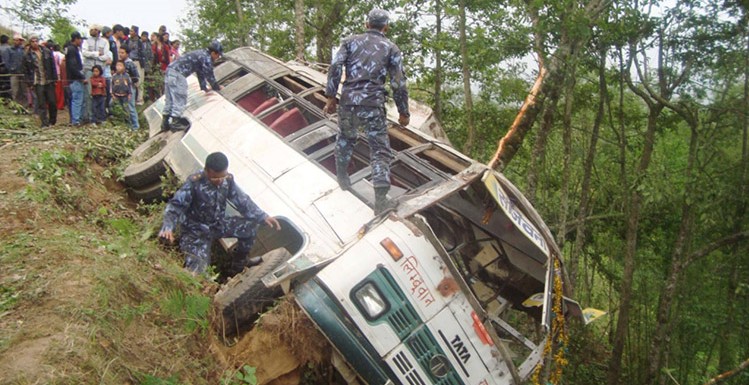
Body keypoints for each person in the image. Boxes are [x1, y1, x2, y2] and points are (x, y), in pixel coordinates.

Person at [323, 9, 410, 214]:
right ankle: (380, 202)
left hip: (348, 102)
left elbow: (335, 66)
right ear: (385, 28)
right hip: (373, 104)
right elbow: (398, 83)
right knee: (379, 150)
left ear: (366, 24)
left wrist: (330, 97)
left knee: (345, 139)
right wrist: (403, 112)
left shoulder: (349, 41)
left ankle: (343, 179)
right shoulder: (391, 48)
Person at [159, 152, 282, 275]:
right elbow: (175, 206)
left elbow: (242, 200)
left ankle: (239, 265)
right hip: (195, 232)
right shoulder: (194, 183)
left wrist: (263, 216)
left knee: (250, 226)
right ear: (207, 170)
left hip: (217, 224)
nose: (219, 181)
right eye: (215, 178)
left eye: (222, 177)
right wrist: (168, 227)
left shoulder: (227, 180)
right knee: (198, 273)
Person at [161, 40, 223, 132]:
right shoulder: (206, 57)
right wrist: (217, 87)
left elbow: (200, 72)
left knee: (170, 98)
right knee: (180, 97)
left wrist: (204, 88)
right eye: (218, 55)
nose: (218, 58)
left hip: (170, 71)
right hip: (178, 73)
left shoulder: (200, 53)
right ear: (213, 52)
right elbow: (209, 74)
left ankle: (165, 123)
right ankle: (175, 123)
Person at [23, 34, 57, 127]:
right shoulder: (27, 55)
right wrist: (29, 83)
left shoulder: (46, 51)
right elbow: (25, 70)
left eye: (36, 41)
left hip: (48, 79)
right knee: (41, 103)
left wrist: (54, 78)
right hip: (37, 81)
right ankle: (44, 122)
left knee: (52, 101)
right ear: (30, 43)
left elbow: (52, 65)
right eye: (32, 41)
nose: (35, 43)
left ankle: (52, 121)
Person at [82, 24, 109, 123]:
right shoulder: (86, 41)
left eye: (93, 29)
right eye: (91, 29)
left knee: (101, 93)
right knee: (89, 93)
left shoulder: (104, 42)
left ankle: (100, 117)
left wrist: (94, 56)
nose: (91, 31)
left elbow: (106, 56)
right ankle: (89, 117)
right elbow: (84, 53)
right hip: (89, 70)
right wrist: (97, 54)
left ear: (98, 31)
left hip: (101, 70)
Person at [65, 31, 86, 126]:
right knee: (77, 100)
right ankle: (76, 120)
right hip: (75, 79)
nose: (81, 41)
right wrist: (81, 77)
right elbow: (73, 67)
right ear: (76, 39)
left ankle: (75, 119)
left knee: (75, 100)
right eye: (80, 39)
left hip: (72, 78)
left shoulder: (70, 49)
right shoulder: (72, 50)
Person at [111, 61, 138, 130]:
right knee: (115, 108)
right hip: (117, 95)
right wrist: (112, 94)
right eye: (117, 65)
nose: (118, 67)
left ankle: (131, 125)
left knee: (126, 110)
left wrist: (129, 94)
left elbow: (129, 85)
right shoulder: (114, 76)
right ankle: (118, 125)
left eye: (120, 65)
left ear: (124, 67)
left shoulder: (127, 76)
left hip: (125, 95)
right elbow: (112, 86)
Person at [118, 46, 140, 129]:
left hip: (129, 88)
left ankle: (135, 126)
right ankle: (128, 125)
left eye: (122, 53)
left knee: (131, 107)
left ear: (127, 54)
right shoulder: (119, 63)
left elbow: (136, 77)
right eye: (119, 52)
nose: (120, 54)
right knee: (124, 107)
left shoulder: (130, 64)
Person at [7, 34, 27, 106]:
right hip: (14, 73)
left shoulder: (23, 50)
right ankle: (16, 106)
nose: (19, 42)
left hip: (23, 73)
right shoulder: (9, 49)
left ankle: (24, 106)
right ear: (14, 40)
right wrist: (12, 69)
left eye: (20, 40)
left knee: (24, 90)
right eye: (18, 40)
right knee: (15, 90)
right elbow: (7, 61)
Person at [0, 35, 10, 99]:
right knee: (8, 84)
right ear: (7, 41)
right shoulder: (10, 48)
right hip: (8, 68)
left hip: (1, 68)